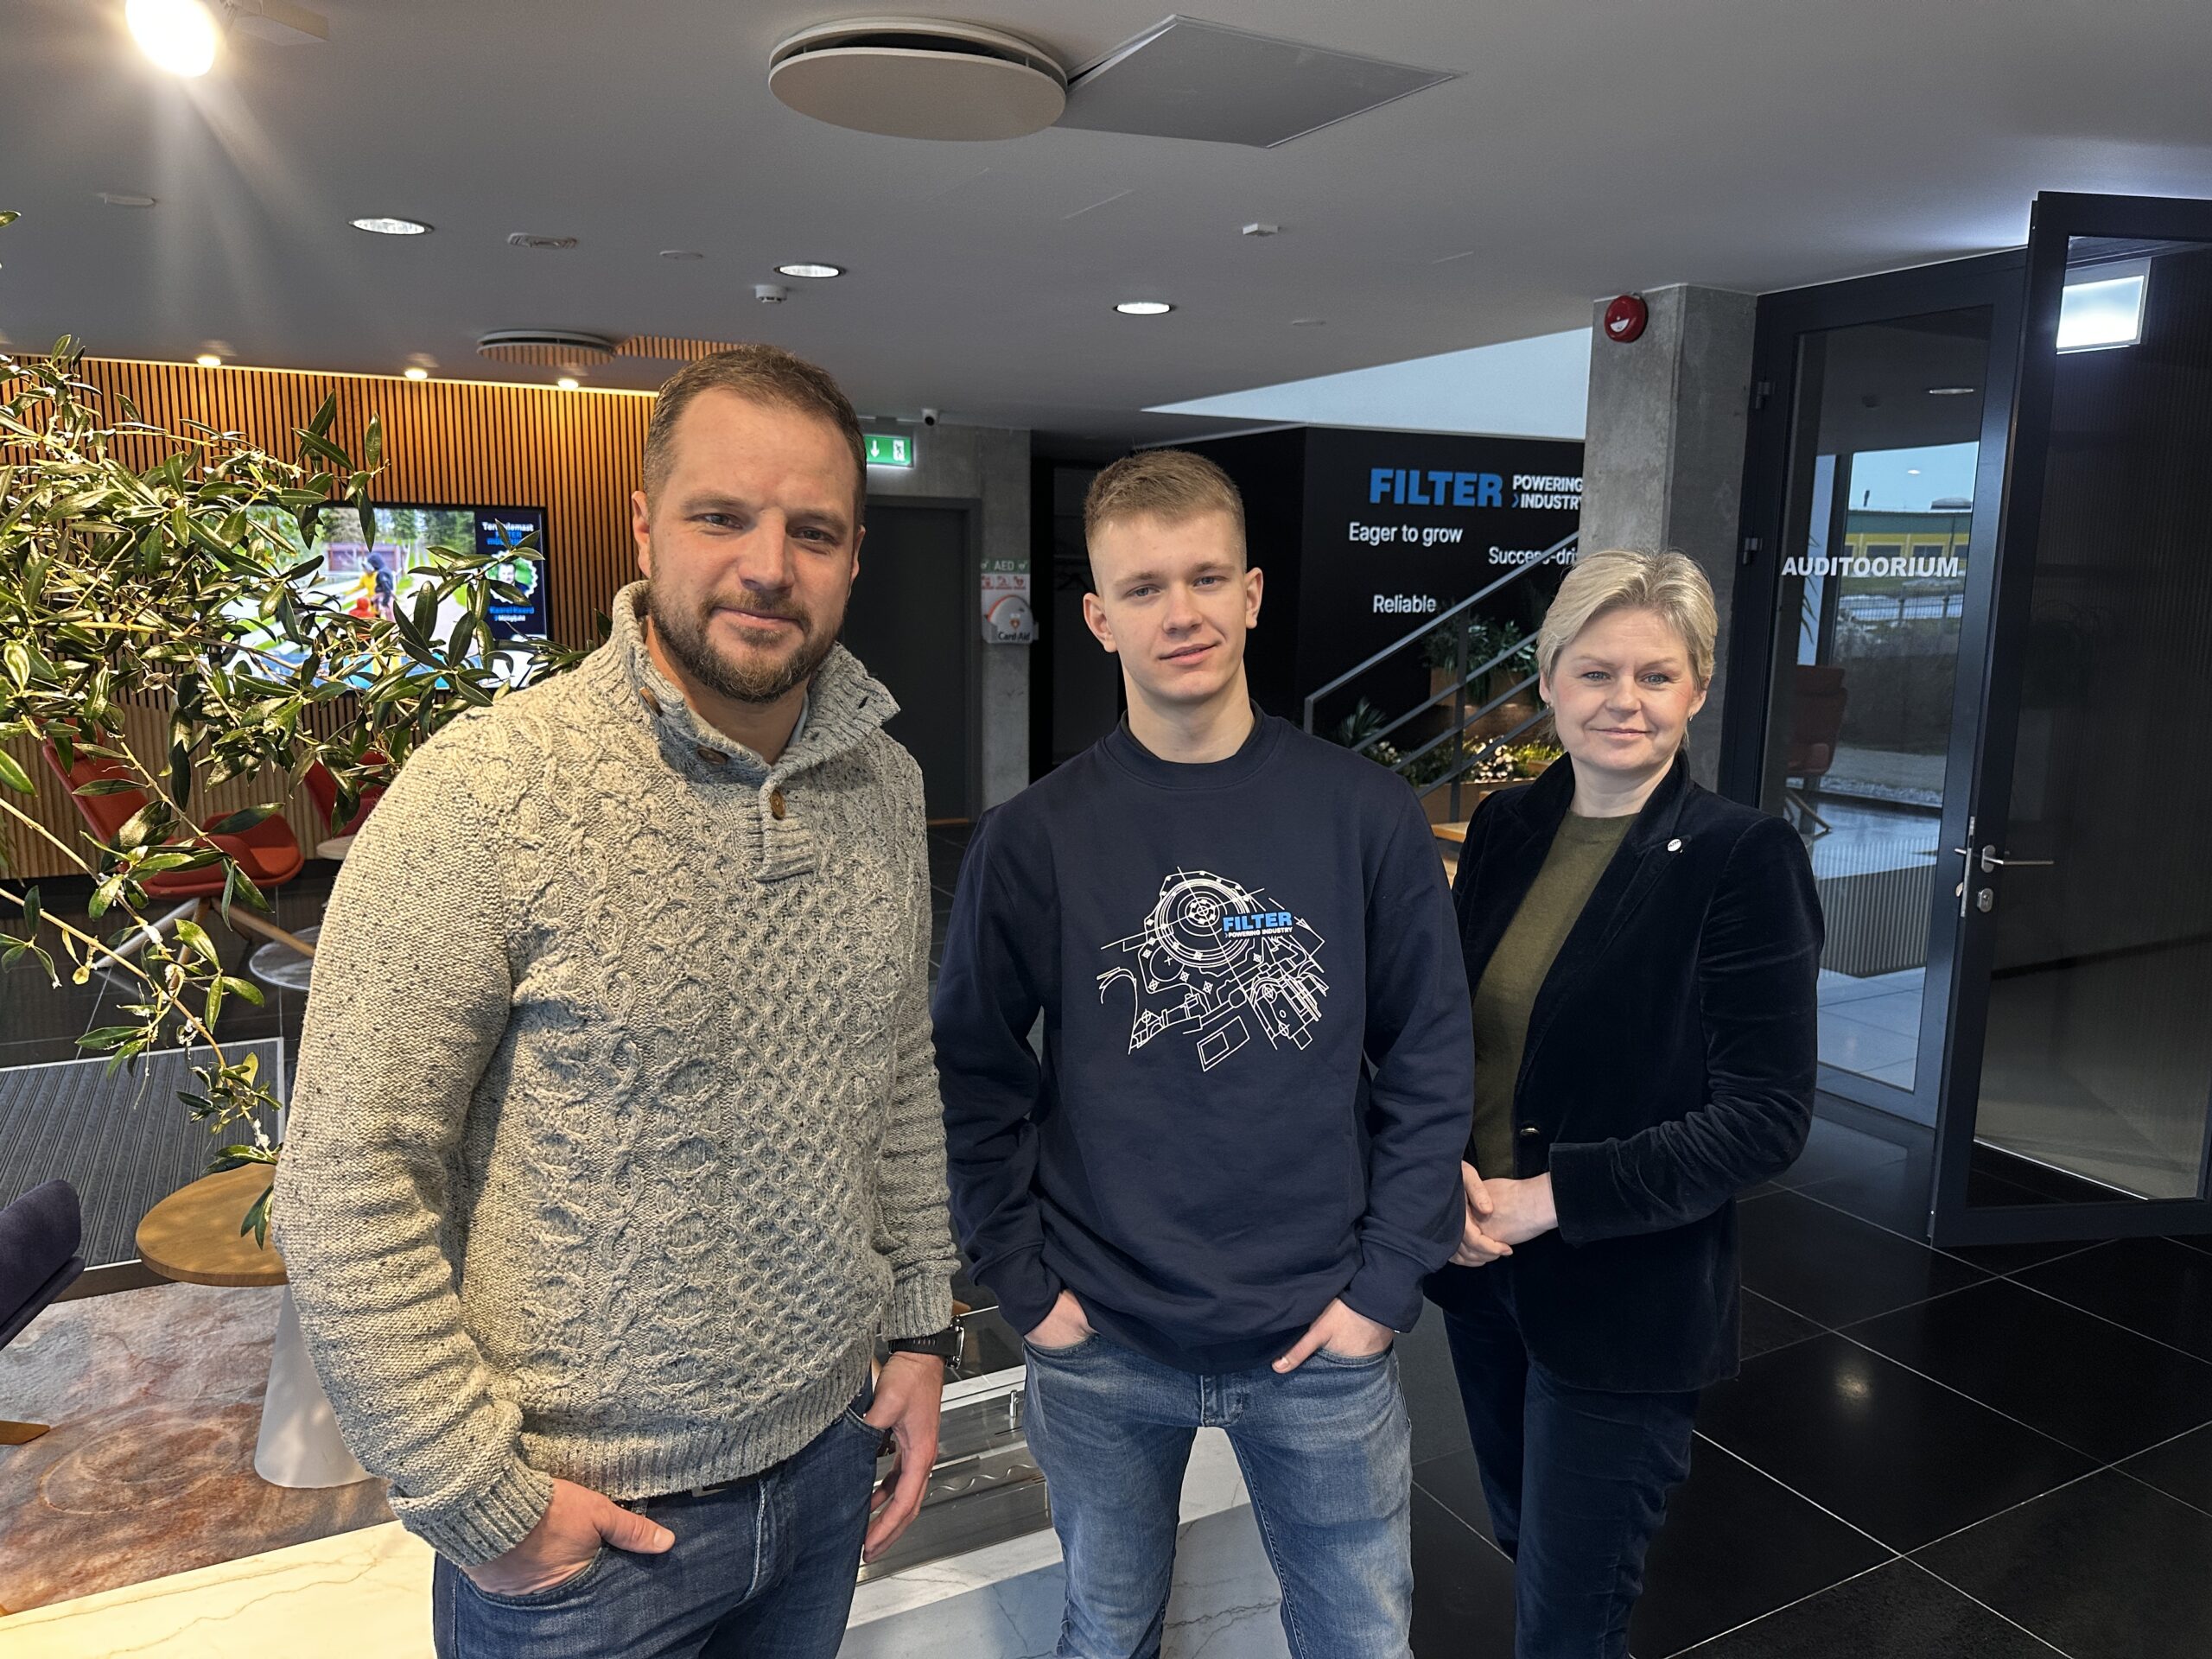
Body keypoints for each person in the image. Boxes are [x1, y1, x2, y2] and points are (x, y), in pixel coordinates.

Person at [276, 344, 963, 1659]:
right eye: (724, 516)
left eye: (813, 530)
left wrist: (922, 1328)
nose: (770, 563)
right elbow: (349, 1178)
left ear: (854, 555)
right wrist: (487, 1503)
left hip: (828, 1472)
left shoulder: (880, 787)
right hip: (587, 1540)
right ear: (645, 526)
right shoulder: (486, 792)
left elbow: (899, 1080)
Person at [932, 449, 1473, 1659]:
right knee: (1106, 1631)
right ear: (1098, 616)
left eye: (1205, 578)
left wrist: (1384, 1289)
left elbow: (1432, 1058)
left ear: (1253, 594)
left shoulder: (1365, 813)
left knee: (1360, 1640)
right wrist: (1025, 1285)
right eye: (1144, 587)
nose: (1179, 613)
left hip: (1319, 1333)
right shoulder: (1036, 839)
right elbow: (971, 1073)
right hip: (1103, 1336)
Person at [1427, 549, 1821, 1659]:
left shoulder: (1743, 857)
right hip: (1481, 1274)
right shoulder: (1505, 828)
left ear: (1696, 689)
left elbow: (1764, 1116)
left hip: (1625, 1290)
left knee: (1568, 1616)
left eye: (1656, 676)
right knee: (1522, 1541)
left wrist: (1545, 1200)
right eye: (1595, 673)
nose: (1623, 702)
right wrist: (1441, 1178)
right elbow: (1454, 1035)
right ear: (1547, 681)